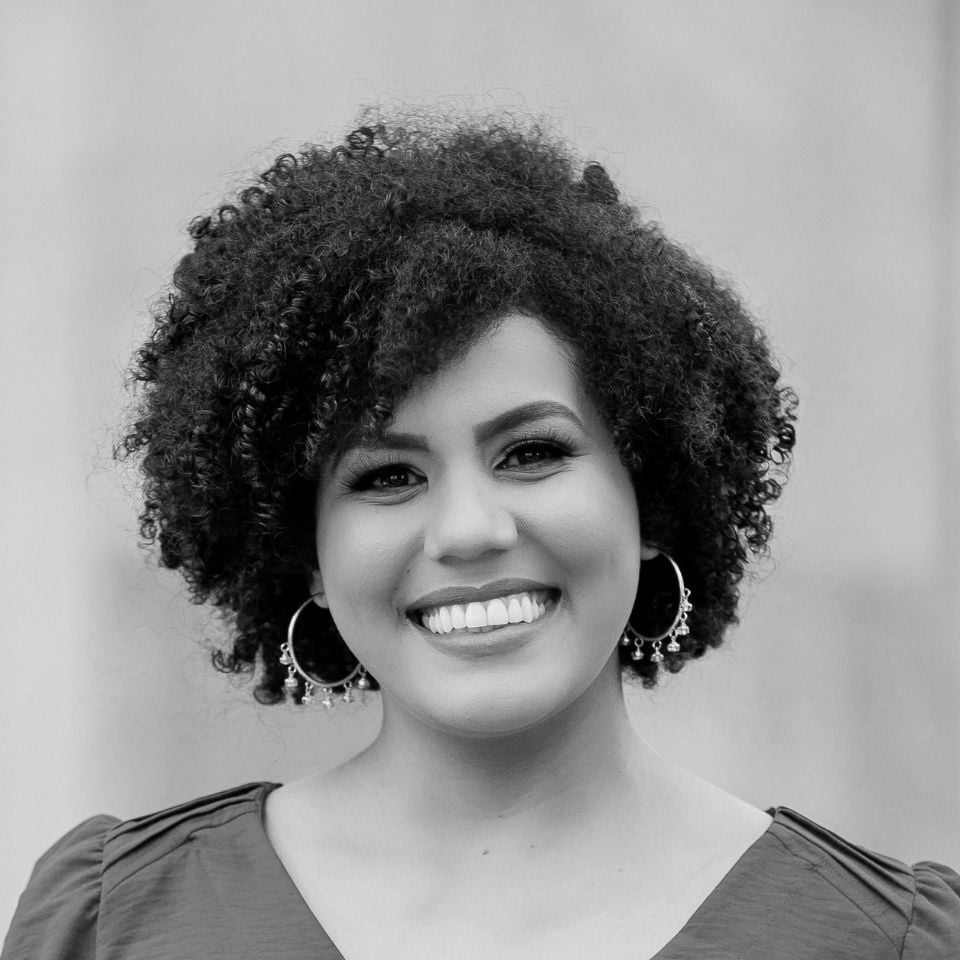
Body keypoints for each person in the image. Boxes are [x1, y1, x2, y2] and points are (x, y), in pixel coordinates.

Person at [4, 111, 958, 960]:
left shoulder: (885, 942)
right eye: (387, 476)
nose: (467, 529)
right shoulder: (113, 924)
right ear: (308, 555)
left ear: (652, 495)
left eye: (532, 453)